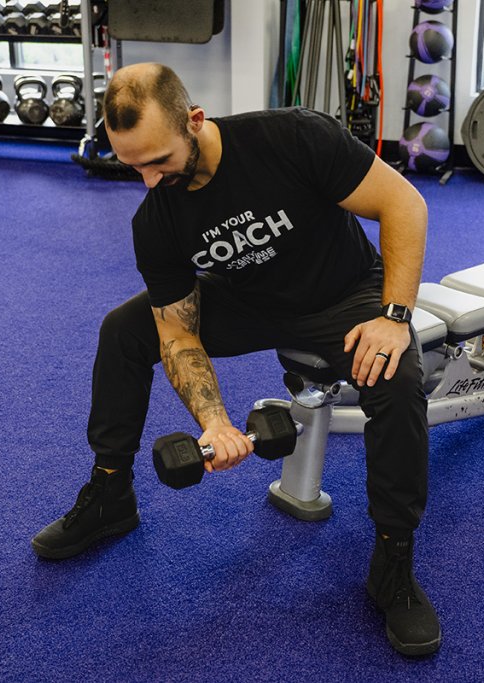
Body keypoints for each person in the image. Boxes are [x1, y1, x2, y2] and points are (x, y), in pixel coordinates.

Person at [30, 62, 439, 656]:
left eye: (159, 162)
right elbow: (177, 334)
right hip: (250, 299)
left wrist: (394, 318)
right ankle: (109, 494)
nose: (146, 180)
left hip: (341, 294)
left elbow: (404, 205)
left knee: (397, 380)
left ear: (194, 121)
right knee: (126, 330)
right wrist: (214, 422)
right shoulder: (158, 217)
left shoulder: (293, 137)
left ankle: (394, 560)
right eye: (132, 166)